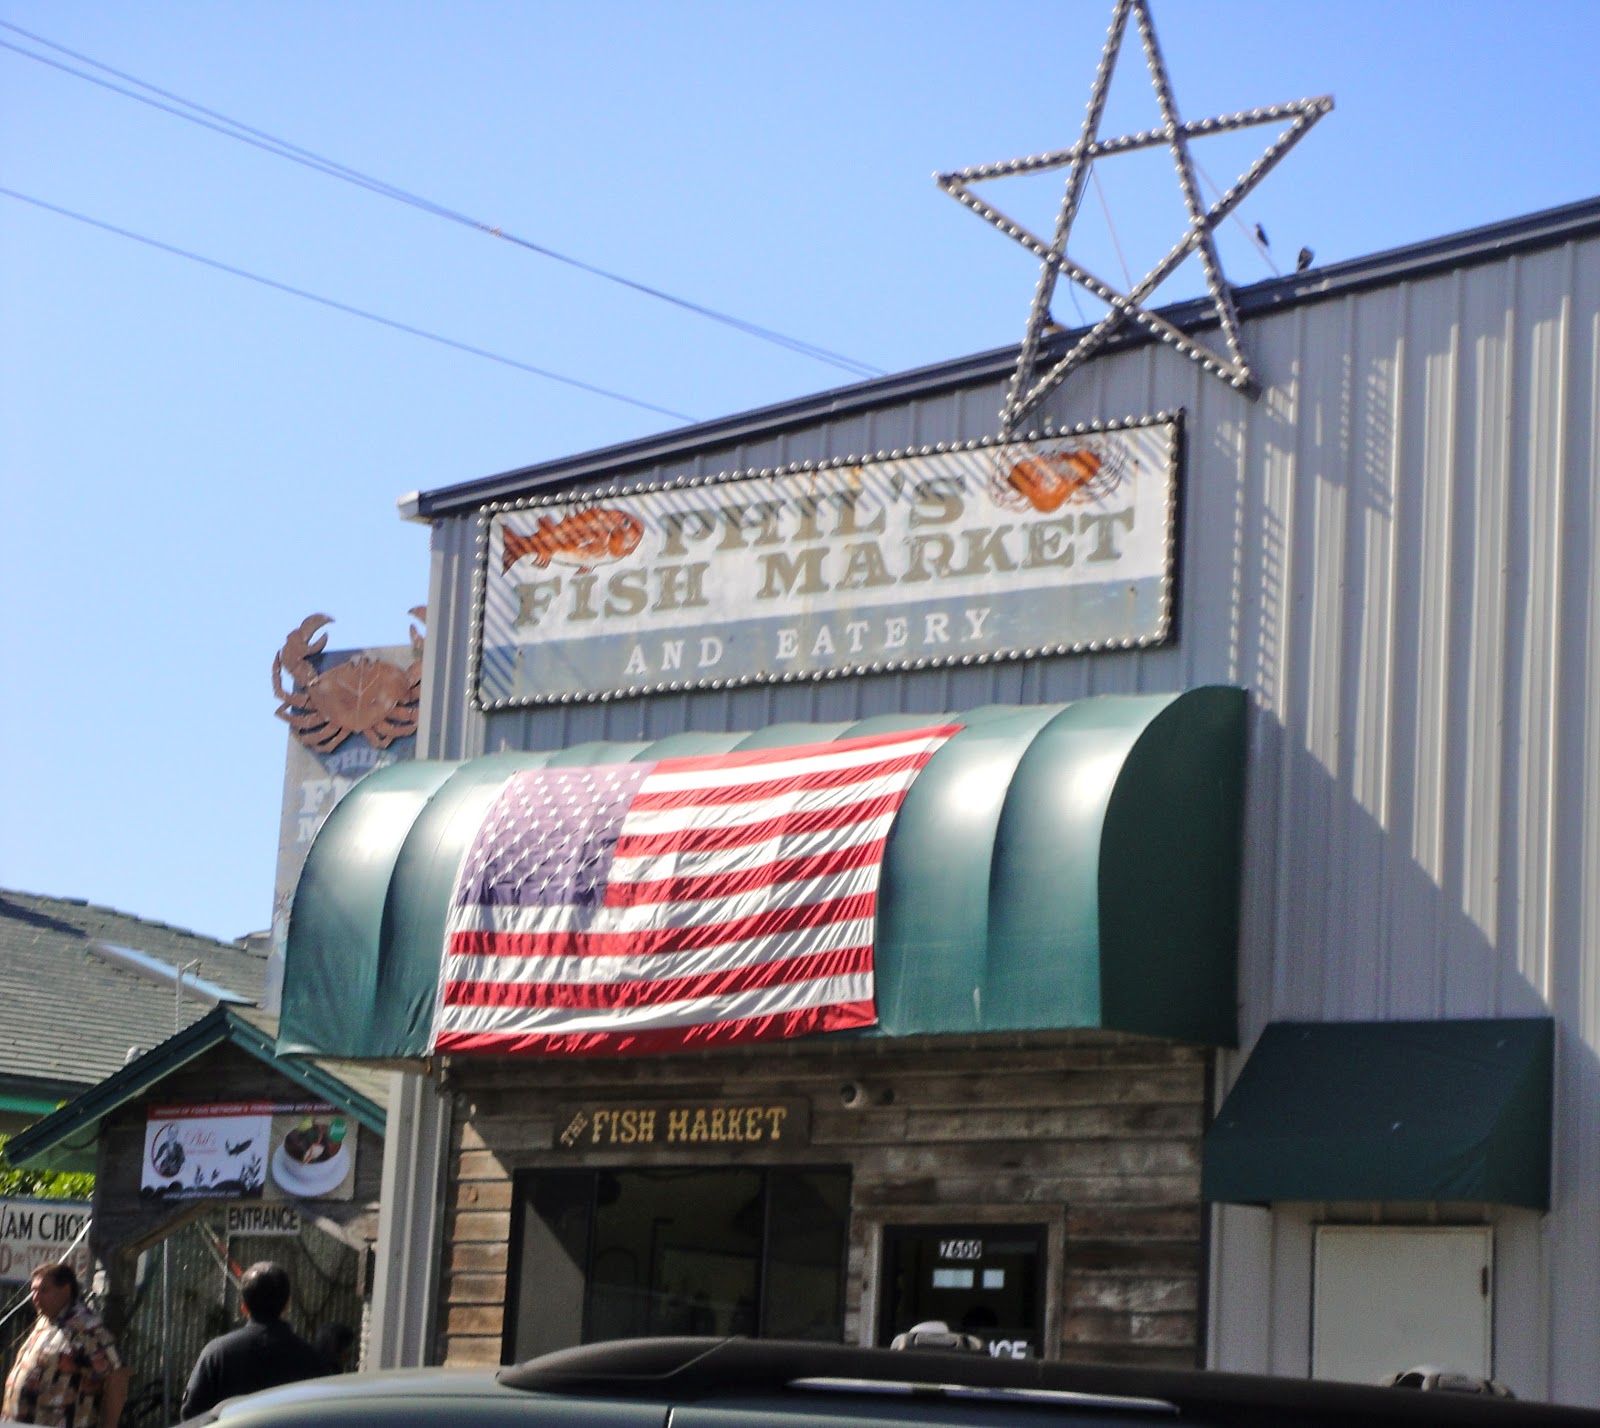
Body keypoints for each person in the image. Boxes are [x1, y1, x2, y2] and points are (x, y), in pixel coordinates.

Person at [179, 1261, 326, 1419]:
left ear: (244, 1308)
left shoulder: (216, 1354)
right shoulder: (310, 1358)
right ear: (286, 1306)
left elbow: (191, 1415)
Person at [1, 1260, 129, 1427]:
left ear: (66, 1290)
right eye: (33, 1291)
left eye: (43, 1290)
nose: (35, 1298)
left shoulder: (86, 1328)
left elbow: (116, 1379)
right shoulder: (46, 1322)